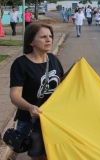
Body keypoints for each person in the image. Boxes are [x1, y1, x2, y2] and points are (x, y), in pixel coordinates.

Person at [9, 23, 64, 159]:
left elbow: (62, 83)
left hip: (53, 118)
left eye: (50, 36)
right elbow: (14, 95)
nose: (49, 40)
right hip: (32, 120)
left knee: (57, 154)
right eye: (43, 37)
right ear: (31, 42)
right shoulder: (21, 64)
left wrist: (76, 69)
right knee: (40, 157)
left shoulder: (53, 59)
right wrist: (30, 107)